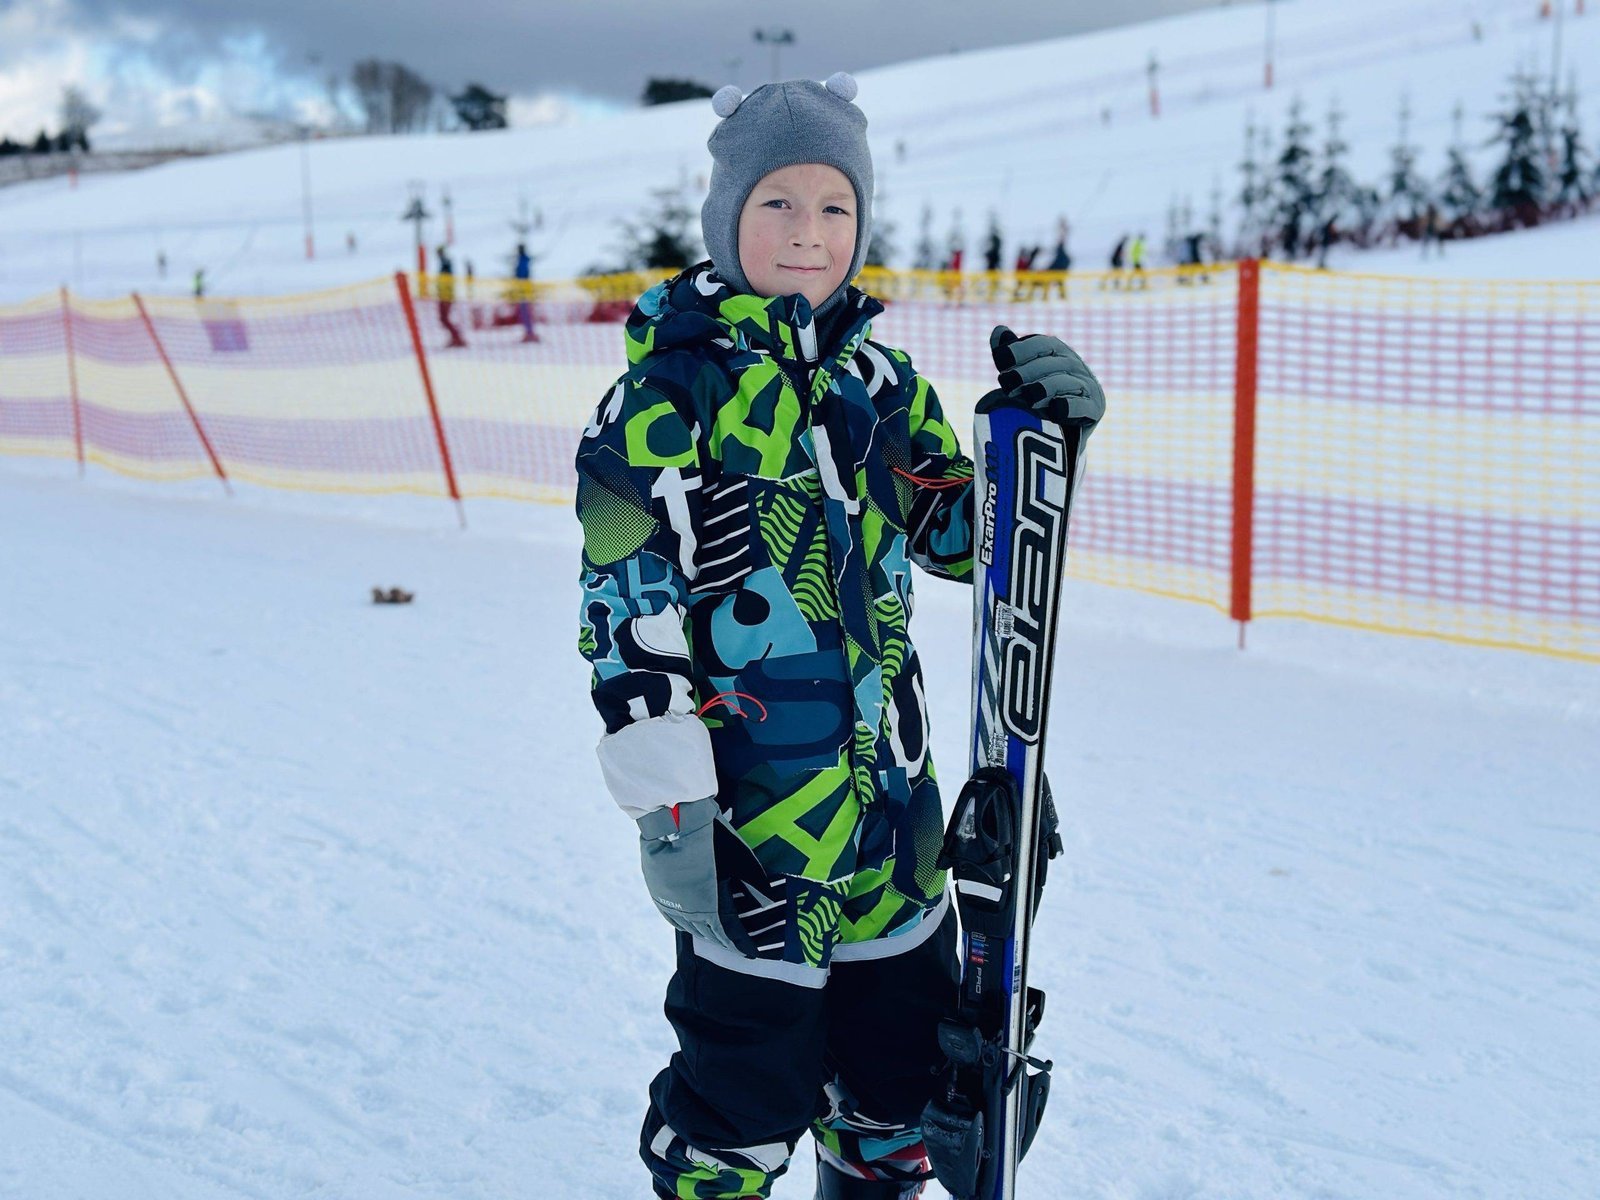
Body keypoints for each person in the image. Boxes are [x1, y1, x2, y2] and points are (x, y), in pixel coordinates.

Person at [573, 73, 1104, 1200]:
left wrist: (1040, 440)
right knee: (743, 1102)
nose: (809, 234)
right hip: (754, 833)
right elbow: (625, 608)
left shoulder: (877, 384)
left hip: (893, 825)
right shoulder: (667, 401)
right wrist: (674, 808)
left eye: (834, 208)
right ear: (727, 219)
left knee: (893, 1092)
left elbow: (967, 538)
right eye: (778, 204)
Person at [434, 244, 466, 348]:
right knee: (443, 318)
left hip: (446, 295)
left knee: (444, 318)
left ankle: (457, 337)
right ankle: (455, 337)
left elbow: (447, 279)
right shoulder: (444, 263)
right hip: (444, 294)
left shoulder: (446, 263)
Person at [513, 241, 538, 342]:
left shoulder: (522, 260)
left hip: (524, 289)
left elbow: (522, 274)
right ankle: (529, 332)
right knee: (524, 312)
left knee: (526, 311)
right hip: (523, 289)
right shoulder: (522, 260)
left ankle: (530, 333)